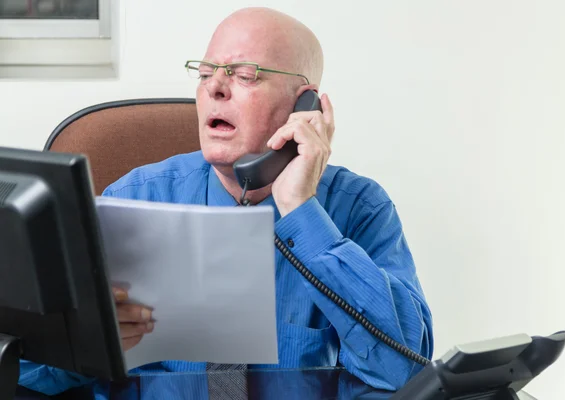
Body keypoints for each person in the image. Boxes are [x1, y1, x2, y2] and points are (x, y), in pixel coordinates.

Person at [17, 7, 434, 397]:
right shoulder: (132, 198)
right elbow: (22, 370)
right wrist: (81, 339)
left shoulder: (359, 209)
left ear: (301, 105)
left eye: (245, 75)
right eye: (204, 73)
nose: (215, 87)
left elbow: (406, 370)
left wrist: (302, 212)